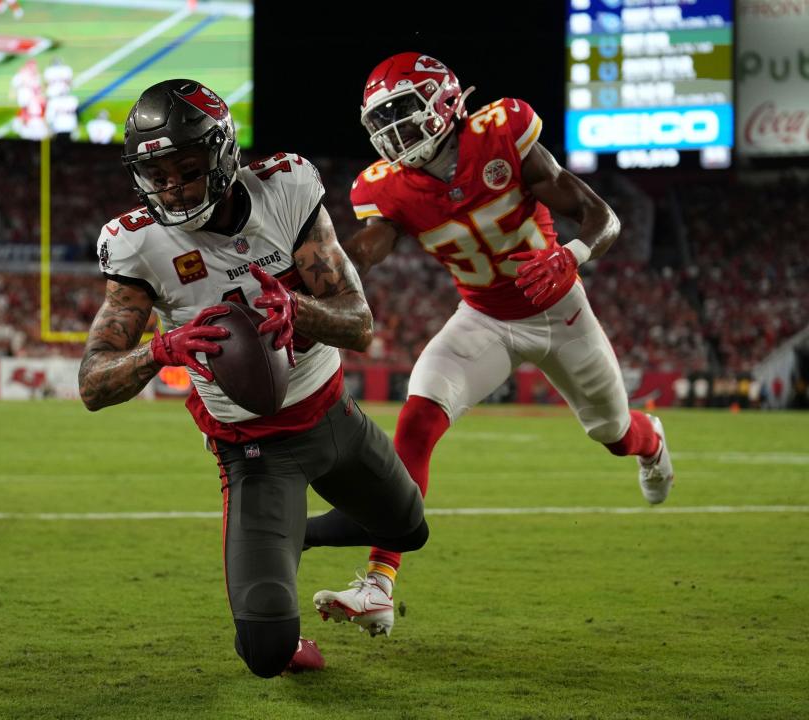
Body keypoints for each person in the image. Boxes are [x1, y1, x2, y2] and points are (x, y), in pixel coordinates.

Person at [310, 52, 675, 638]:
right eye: (383, 118)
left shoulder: (502, 131)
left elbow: (599, 215)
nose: (394, 130)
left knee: (612, 432)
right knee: (418, 420)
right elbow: (368, 250)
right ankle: (379, 583)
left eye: (403, 111)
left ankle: (649, 439)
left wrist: (572, 255)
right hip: (482, 318)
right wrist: (318, 278)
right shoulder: (388, 187)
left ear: (445, 102)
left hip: (562, 311)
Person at [78, 79, 429, 678]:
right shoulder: (137, 244)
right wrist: (162, 348)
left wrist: (301, 311)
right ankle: (277, 559)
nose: (171, 187)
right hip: (256, 452)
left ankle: (300, 534)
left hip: (334, 415)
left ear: (220, 155)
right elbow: (92, 383)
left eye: (185, 168)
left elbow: (358, 322)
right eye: (156, 173)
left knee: (408, 528)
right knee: (266, 654)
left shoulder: (285, 187)